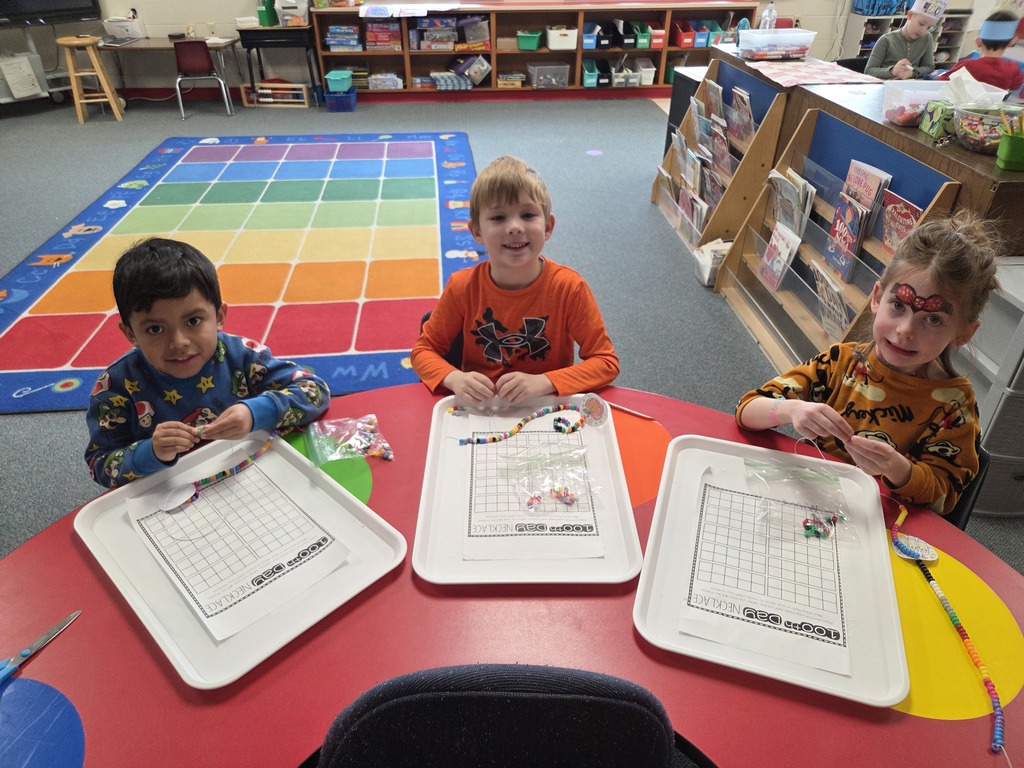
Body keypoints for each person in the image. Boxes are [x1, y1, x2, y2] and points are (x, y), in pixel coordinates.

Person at [735, 211, 1001, 516]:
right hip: (808, 505)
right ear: (877, 298)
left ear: (963, 333)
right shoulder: (840, 363)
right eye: (898, 305)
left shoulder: (954, 405)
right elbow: (747, 409)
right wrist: (790, 410)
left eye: (933, 320)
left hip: (879, 523)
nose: (905, 330)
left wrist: (898, 469)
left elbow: (945, 500)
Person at [86, 238, 330, 488]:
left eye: (193, 321)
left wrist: (254, 412)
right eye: (155, 329)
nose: (179, 342)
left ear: (219, 316)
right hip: (166, 495)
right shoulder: (116, 386)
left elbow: (314, 391)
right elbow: (99, 464)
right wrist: (152, 452)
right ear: (131, 333)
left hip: (247, 479)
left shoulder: (241, 355)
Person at [410, 155, 619, 404]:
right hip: (481, 408)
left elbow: (606, 362)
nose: (515, 227)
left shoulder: (569, 288)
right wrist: (454, 378)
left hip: (547, 407)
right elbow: (423, 352)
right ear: (476, 231)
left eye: (528, 215)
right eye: (498, 218)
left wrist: (546, 381)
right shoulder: (462, 287)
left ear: (548, 227)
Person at [938, 11, 1024, 92]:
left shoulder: (967, 65)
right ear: (1012, 41)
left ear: (978, 41)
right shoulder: (1013, 68)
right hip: (995, 103)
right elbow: (1016, 86)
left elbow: (941, 83)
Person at [865, 0, 949, 80]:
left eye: (929, 28)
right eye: (921, 24)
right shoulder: (886, 40)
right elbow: (869, 71)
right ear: (910, 15)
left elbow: (929, 67)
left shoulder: (927, 38)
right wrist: (892, 71)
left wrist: (912, 73)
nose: (923, 31)